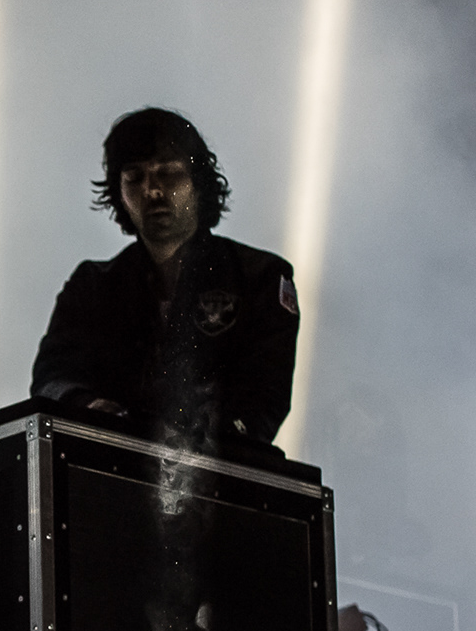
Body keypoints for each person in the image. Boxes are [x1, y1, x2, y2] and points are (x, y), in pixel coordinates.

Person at [31, 107, 300, 450]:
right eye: (134, 178)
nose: (152, 191)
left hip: (219, 471)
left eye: (169, 174)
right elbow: (52, 378)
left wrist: (211, 437)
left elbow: (265, 395)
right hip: (109, 466)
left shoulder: (260, 277)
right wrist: (90, 408)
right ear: (118, 192)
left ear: (198, 184)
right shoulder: (92, 286)